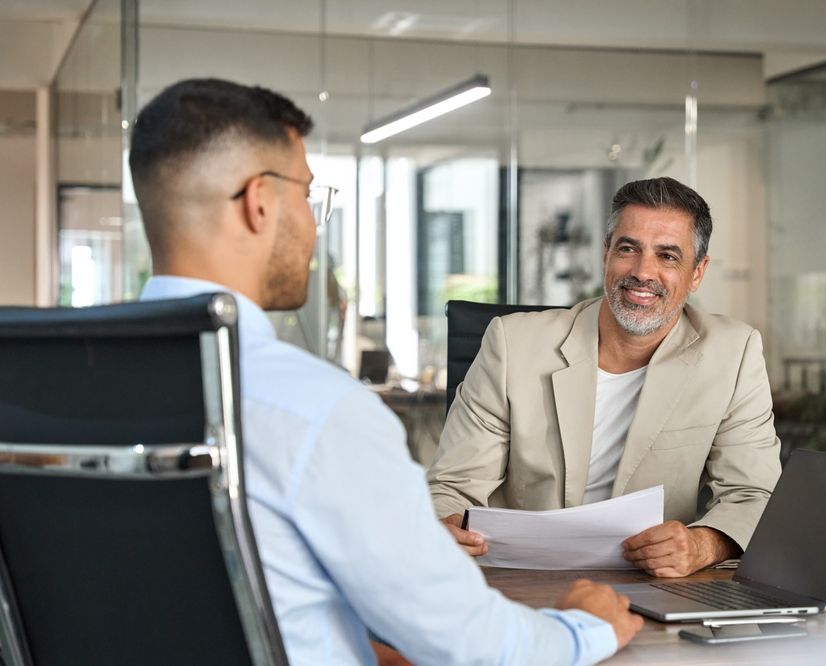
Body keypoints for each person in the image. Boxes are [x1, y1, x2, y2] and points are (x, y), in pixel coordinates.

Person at [129, 78, 642, 665]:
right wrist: (585, 627)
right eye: (307, 195)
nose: (313, 223)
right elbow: (479, 648)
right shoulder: (314, 411)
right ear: (260, 202)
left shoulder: (53, 392)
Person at [428, 177, 782, 578]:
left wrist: (704, 544)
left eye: (667, 256)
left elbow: (754, 494)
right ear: (606, 255)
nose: (642, 272)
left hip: (654, 583)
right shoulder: (513, 343)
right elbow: (453, 487)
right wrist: (446, 529)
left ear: (697, 273)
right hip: (519, 579)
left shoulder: (733, 353)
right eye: (628, 249)